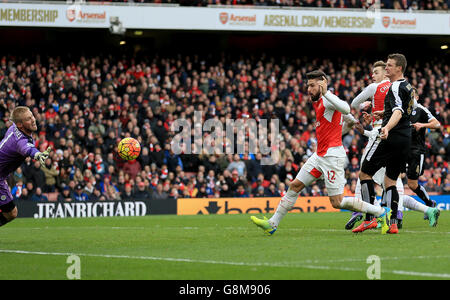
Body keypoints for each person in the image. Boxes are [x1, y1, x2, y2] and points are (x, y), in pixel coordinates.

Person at [250, 70, 391, 236]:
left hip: (332, 157)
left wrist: (328, 94)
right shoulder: (318, 101)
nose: (308, 89)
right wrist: (352, 122)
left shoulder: (328, 98)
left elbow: (345, 108)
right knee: (295, 185)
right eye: (308, 85)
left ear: (323, 83)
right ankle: (272, 223)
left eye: (312, 85)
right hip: (319, 155)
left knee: (337, 202)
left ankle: (381, 212)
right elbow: (344, 117)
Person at [359, 53, 439, 234]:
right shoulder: (408, 86)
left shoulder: (394, 86)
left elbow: (397, 111)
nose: (386, 68)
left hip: (391, 137)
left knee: (364, 174)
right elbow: (403, 111)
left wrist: (386, 126)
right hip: (405, 140)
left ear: (399, 68)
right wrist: (381, 113)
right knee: (390, 182)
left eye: (389, 65)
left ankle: (370, 218)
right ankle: (393, 223)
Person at [0, 106, 51, 227]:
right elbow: (27, 148)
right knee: (11, 213)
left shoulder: (13, 128)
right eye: (28, 119)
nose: (33, 119)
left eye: (32, 116)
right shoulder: (20, 141)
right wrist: (38, 154)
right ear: (20, 125)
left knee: (11, 213)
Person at [407, 87, 441, 220]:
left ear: (417, 98)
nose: (410, 98)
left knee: (412, 184)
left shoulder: (421, 110)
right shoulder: (404, 110)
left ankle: (430, 204)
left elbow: (436, 124)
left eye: (412, 96)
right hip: (403, 150)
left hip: (416, 151)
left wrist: (422, 125)